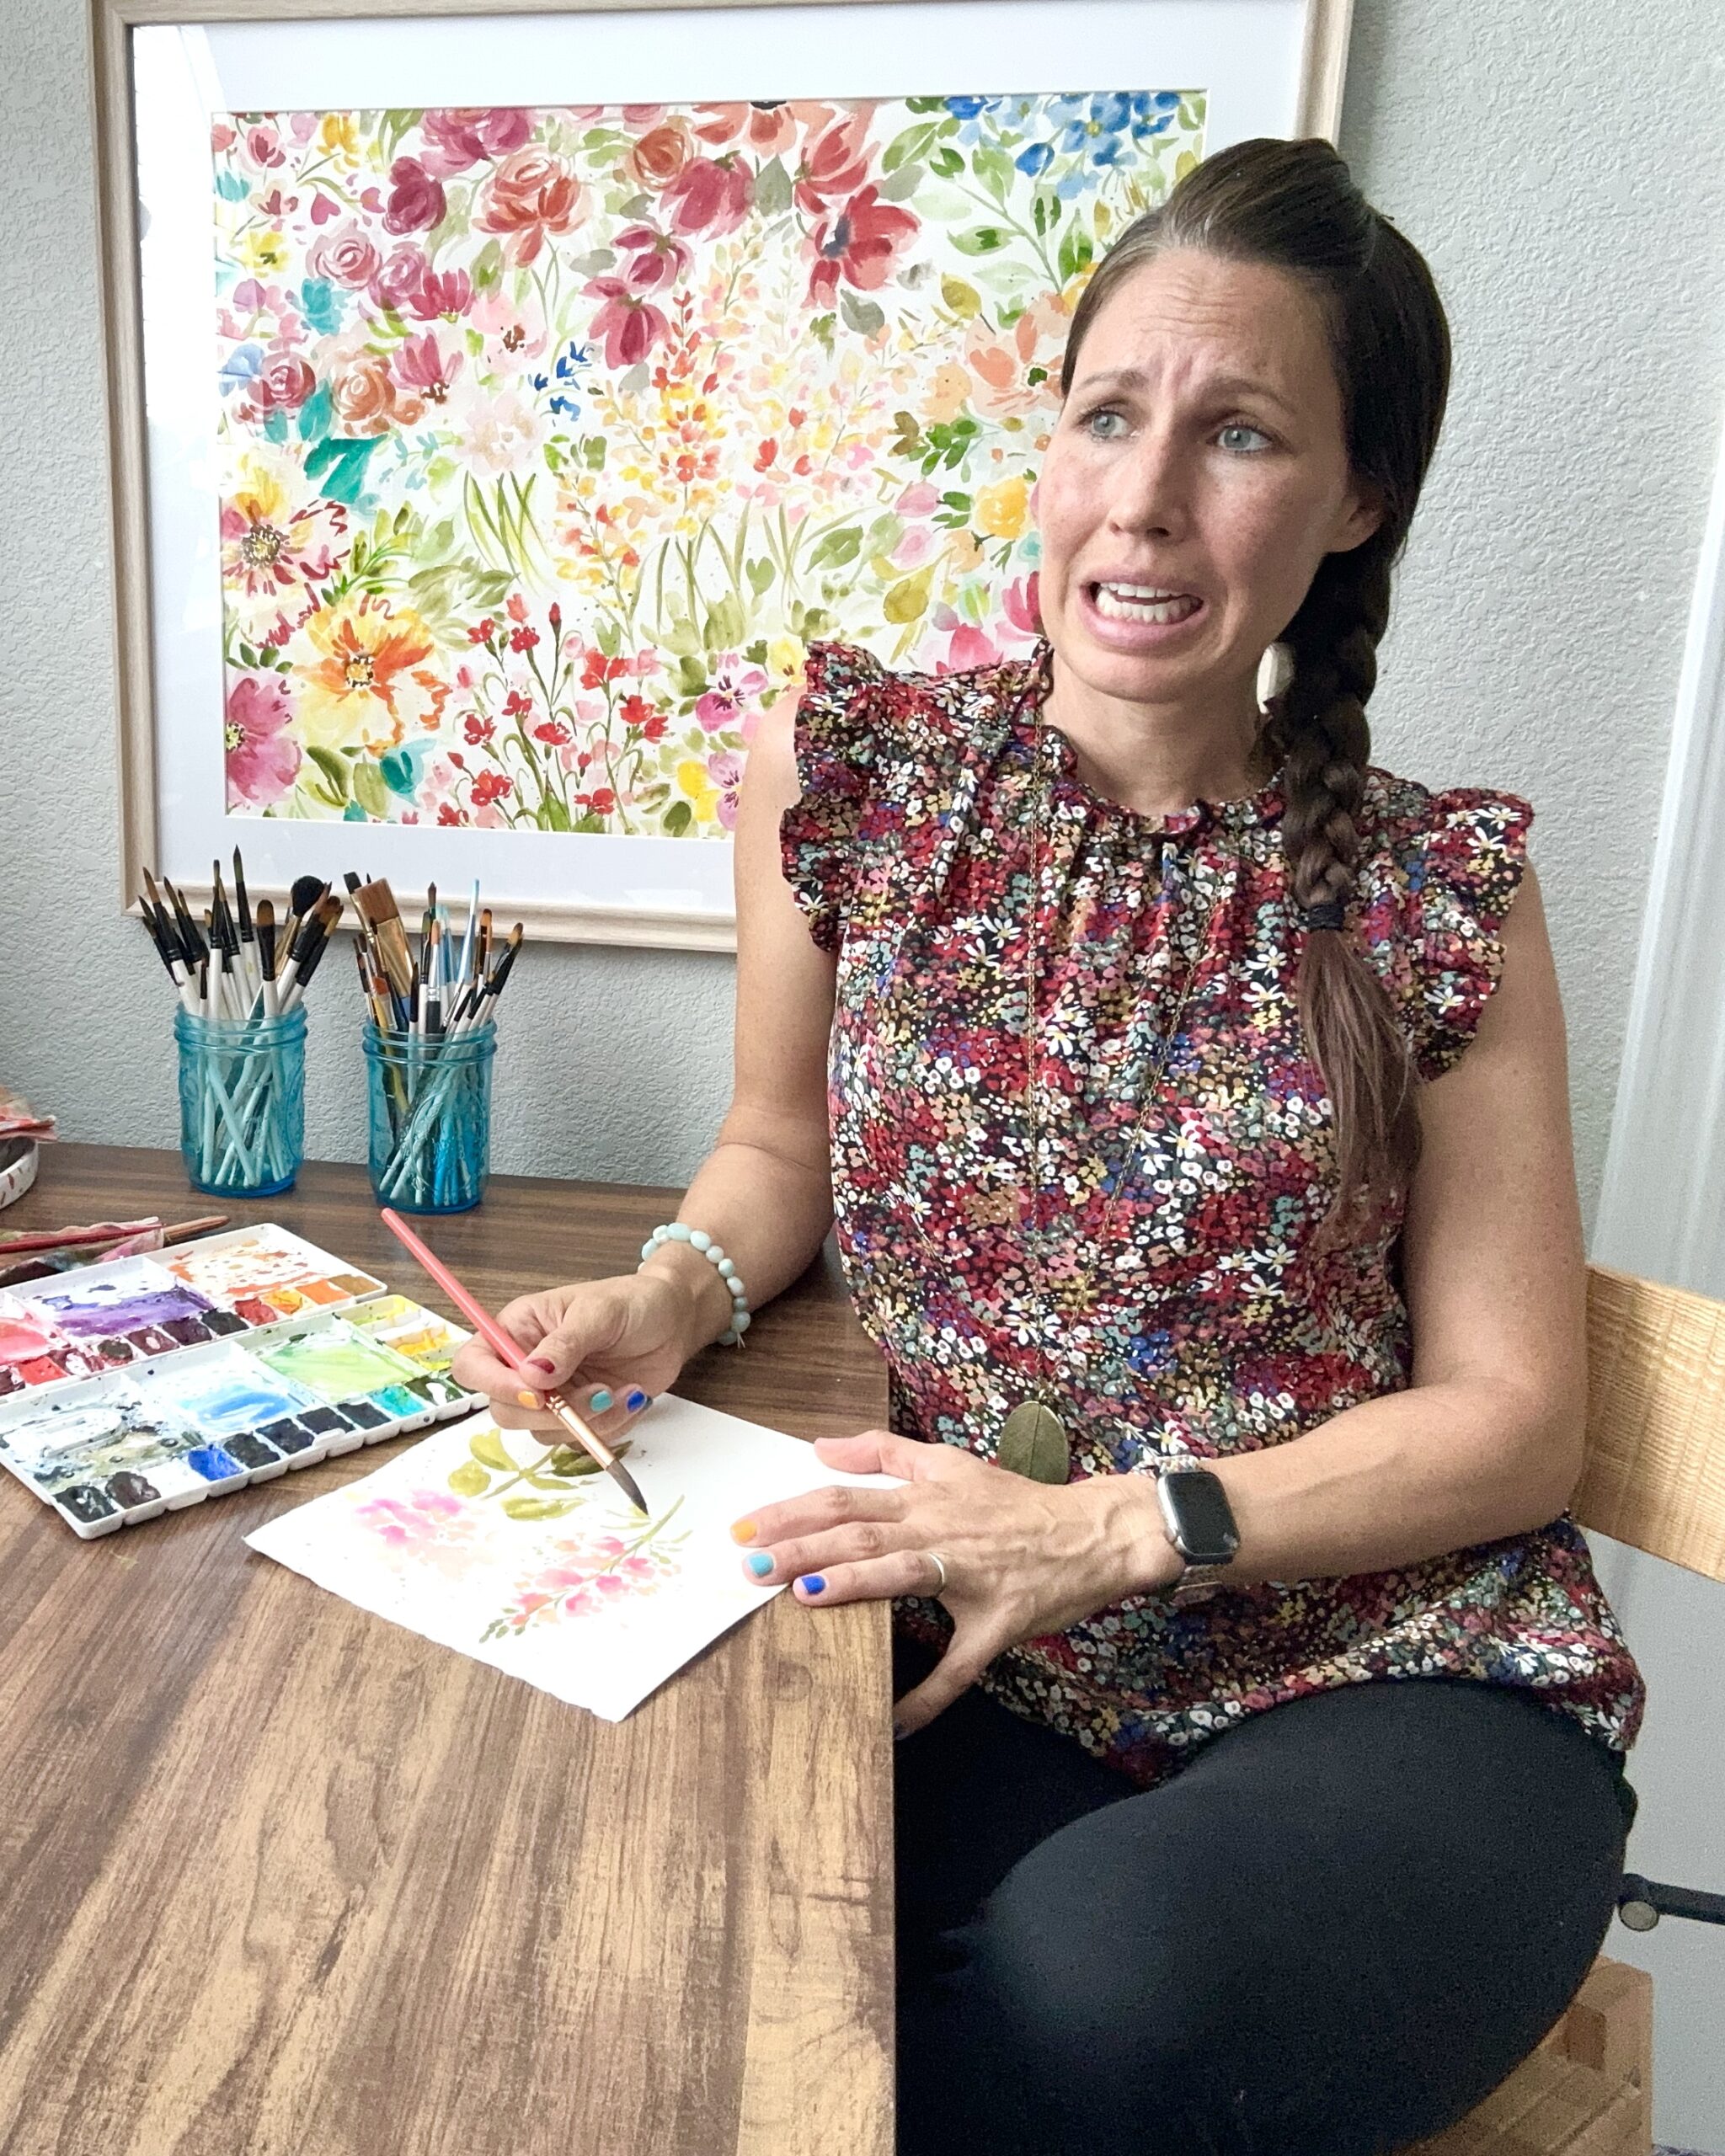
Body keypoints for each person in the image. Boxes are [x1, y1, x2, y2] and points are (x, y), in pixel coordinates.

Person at [452, 136, 1646, 2156]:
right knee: (604, 1880)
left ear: (1355, 500)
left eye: (1240, 432)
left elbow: (1518, 1419)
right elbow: (774, 1144)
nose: (1144, 499)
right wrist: (667, 1290)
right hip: (990, 1675)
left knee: (1105, 1989)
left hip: (1387, 1677)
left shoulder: (1438, 887)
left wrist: (1100, 1529)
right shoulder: (859, 776)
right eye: (1108, 414)